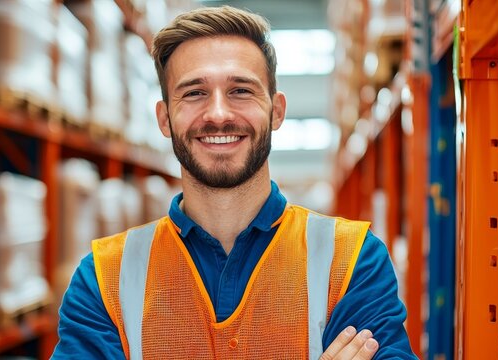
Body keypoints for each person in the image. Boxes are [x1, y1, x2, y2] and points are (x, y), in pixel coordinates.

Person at [52, 5, 416, 360]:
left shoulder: (352, 261)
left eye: (241, 90)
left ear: (276, 111)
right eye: (194, 92)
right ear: (164, 119)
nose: (218, 114)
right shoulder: (104, 280)